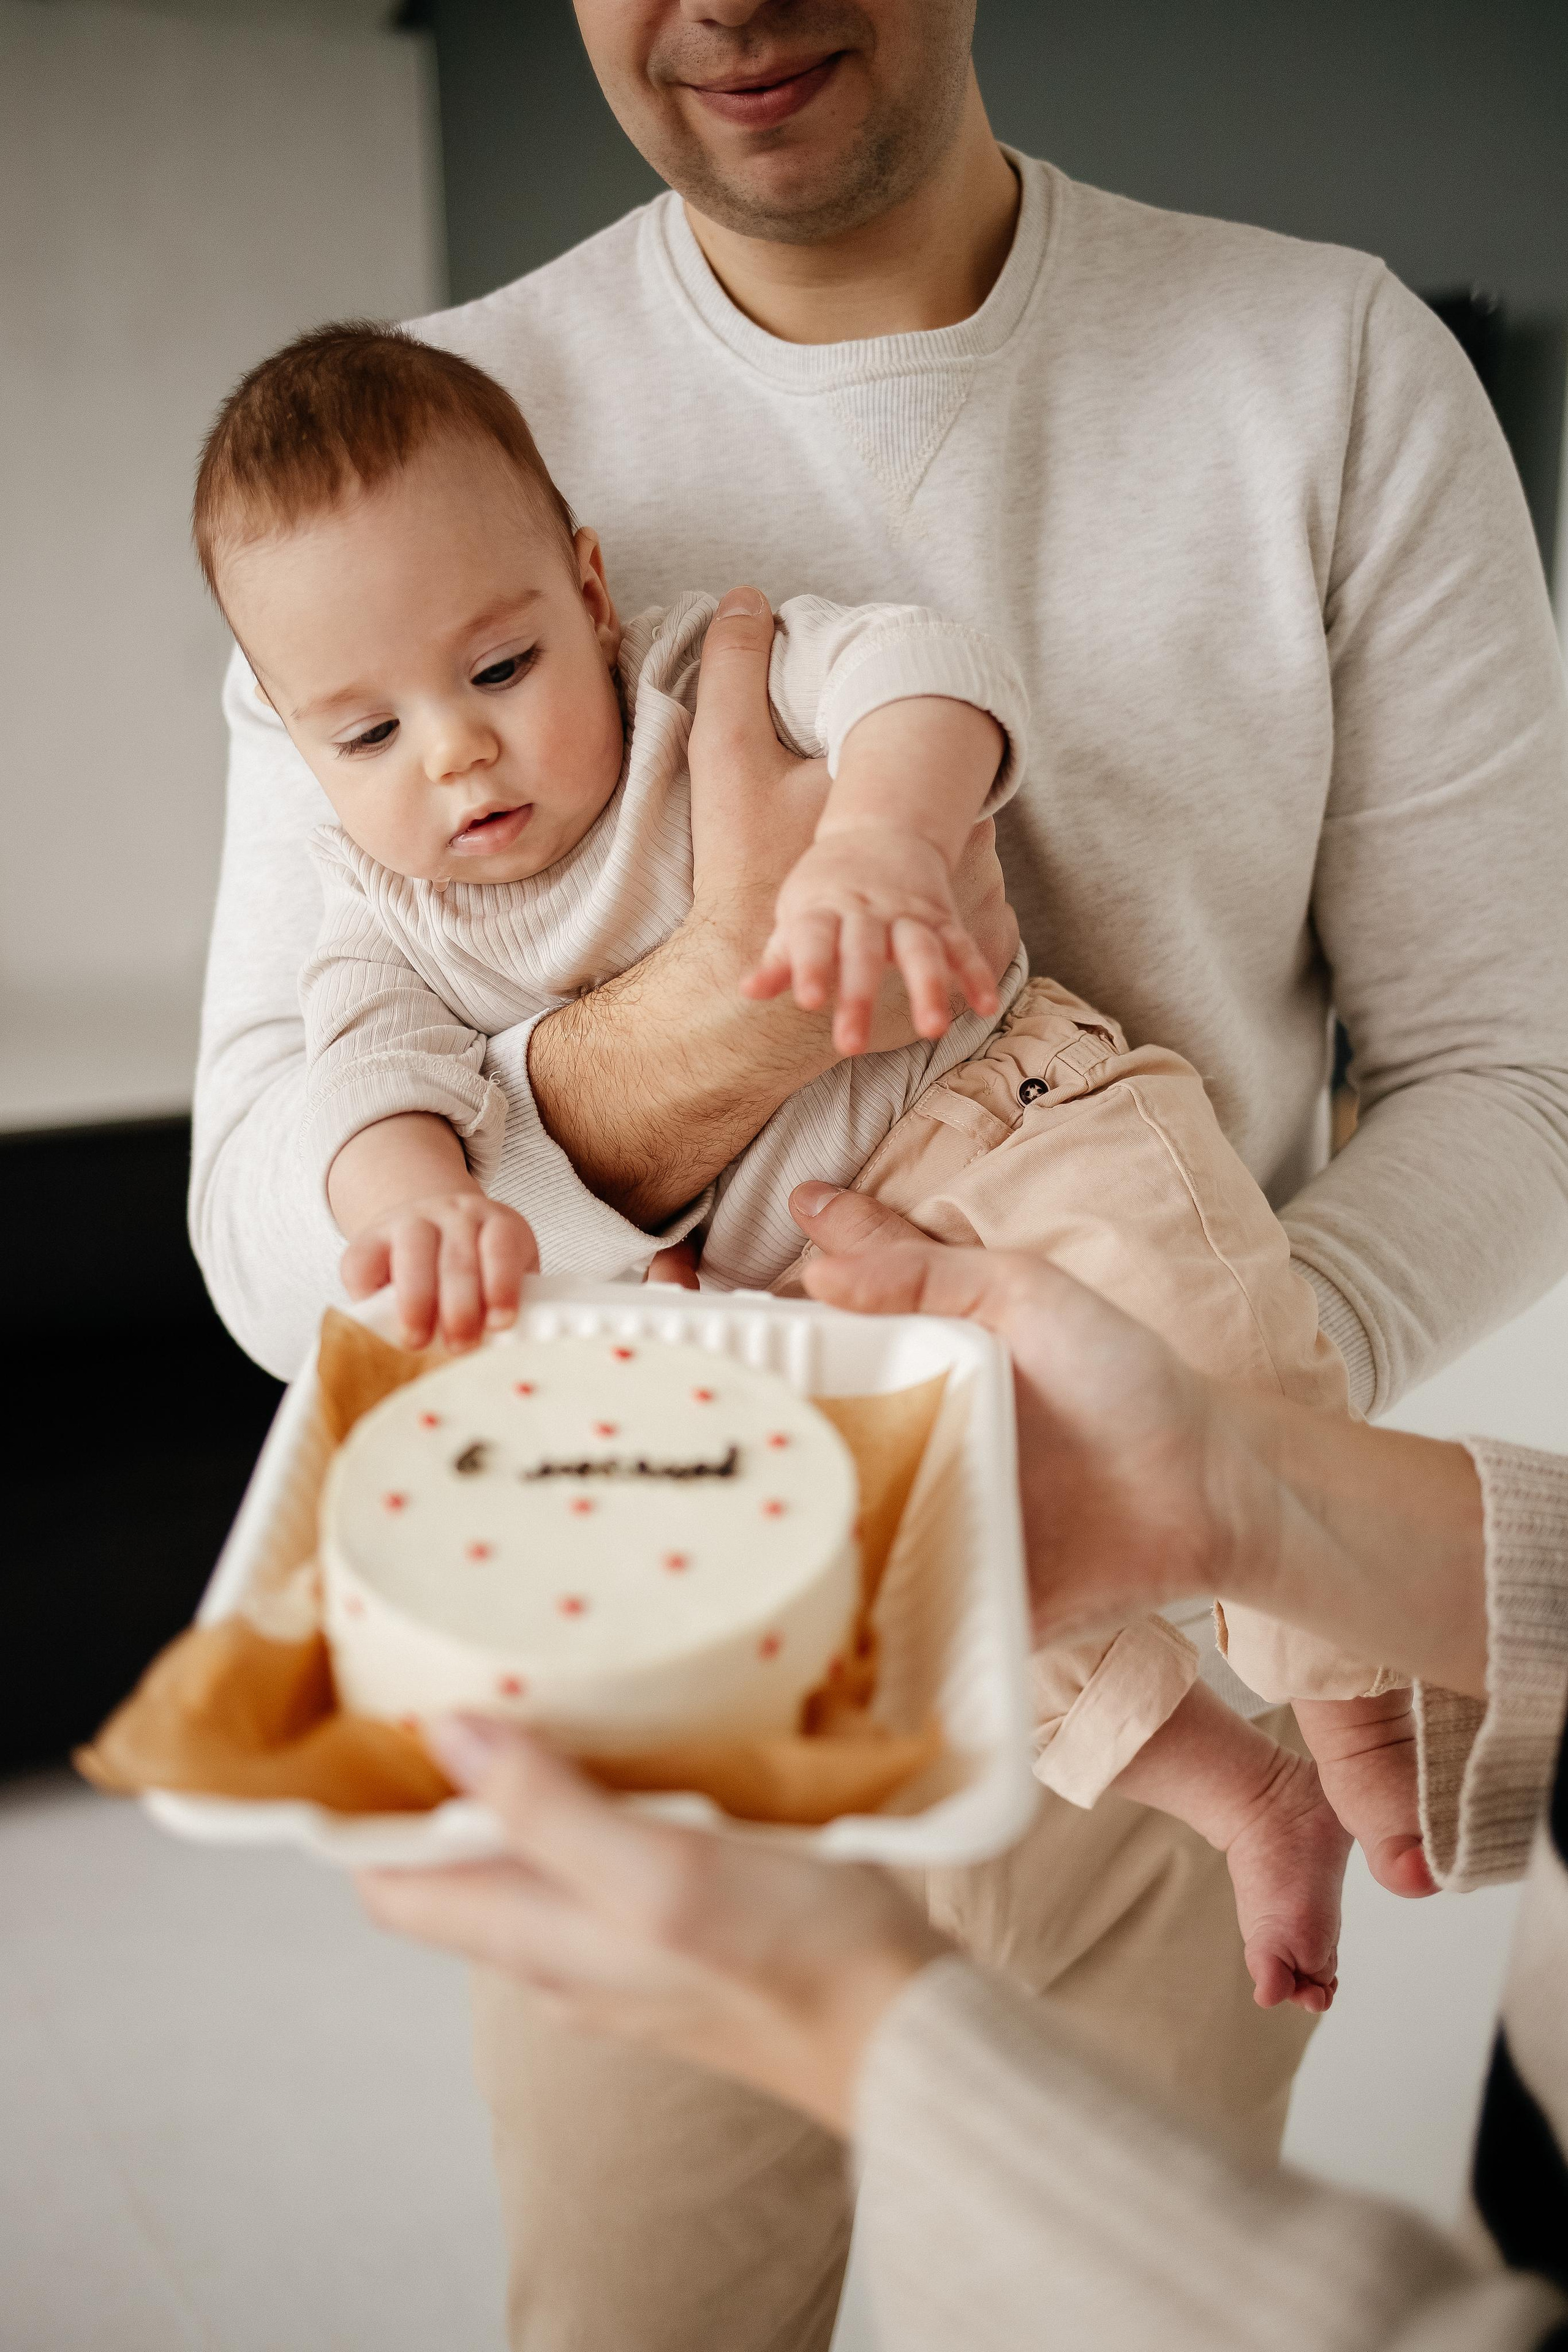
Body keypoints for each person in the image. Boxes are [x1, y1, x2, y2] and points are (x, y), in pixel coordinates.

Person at [189, 2, 1568, 2340]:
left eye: (507, 676)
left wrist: (1192, 1450)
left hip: (1162, 1590)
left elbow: (1516, 1077)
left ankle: (1272, 1728)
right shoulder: (394, 470)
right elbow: (278, 1191)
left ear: (589, 583)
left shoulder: (1324, 371)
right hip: (661, 1641)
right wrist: (715, 1012)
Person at [194, 320, 1423, 2011]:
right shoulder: (384, 917)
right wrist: (414, 1201)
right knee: (938, 1585)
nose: (455, 756)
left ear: (591, 588)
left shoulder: (701, 677)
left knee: (1212, 1331)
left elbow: (920, 670)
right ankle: (1233, 1786)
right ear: (292, 736)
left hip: (1014, 1121)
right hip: (813, 1303)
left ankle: (1346, 1677)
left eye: (496, 673)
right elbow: (358, 1090)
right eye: (366, 736)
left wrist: (883, 833)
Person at [358, 1201, 1568, 2352]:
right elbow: (314, 1183)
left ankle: (1261, 1768)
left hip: (1009, 1240)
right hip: (689, 1531)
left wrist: (863, 2024)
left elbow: (1512, 1085)